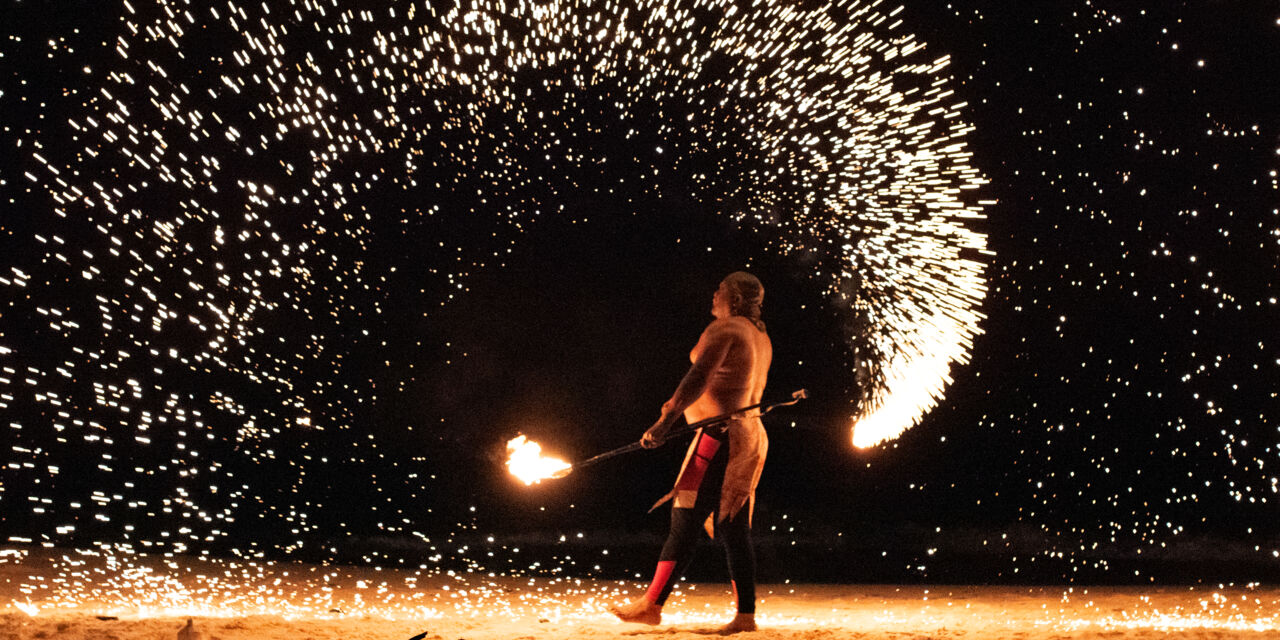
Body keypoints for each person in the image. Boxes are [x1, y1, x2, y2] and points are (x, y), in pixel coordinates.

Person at [610, 271, 773, 634]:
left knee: (685, 517)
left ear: (735, 299)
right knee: (732, 526)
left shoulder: (725, 329)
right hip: (749, 435)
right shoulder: (760, 336)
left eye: (721, 289)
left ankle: (652, 605)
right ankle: (745, 617)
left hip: (720, 436)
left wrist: (664, 421)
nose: (714, 293)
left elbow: (699, 377)